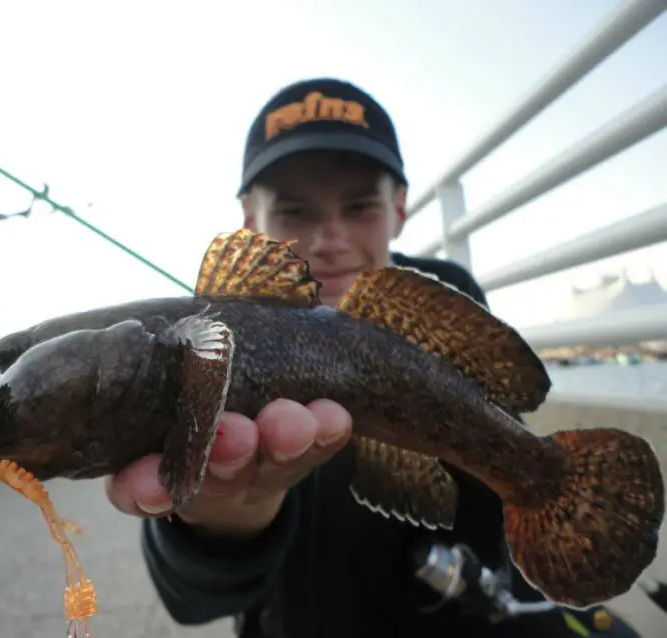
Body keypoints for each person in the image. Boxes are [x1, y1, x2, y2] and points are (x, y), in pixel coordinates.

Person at [104, 79, 641, 637]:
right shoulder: (206, 344)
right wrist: (222, 522)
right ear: (249, 218)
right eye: (293, 211)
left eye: (359, 206)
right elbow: (190, 602)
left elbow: (499, 514)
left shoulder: (446, 305)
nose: (329, 237)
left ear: (400, 207)